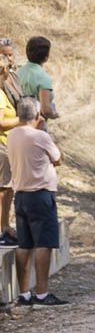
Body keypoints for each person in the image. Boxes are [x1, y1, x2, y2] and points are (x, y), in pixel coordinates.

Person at [7, 97, 66, 307]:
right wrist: (42, 129)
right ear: (38, 115)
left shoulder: (12, 135)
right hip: (40, 194)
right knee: (44, 244)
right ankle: (42, 294)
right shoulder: (40, 136)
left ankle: (24, 293)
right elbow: (58, 159)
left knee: (25, 244)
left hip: (20, 195)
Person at [0, 37, 22, 246]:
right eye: (3, 54)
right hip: (3, 141)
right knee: (4, 187)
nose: (7, 59)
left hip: (12, 140)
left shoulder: (13, 78)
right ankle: (3, 227)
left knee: (9, 186)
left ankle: (6, 225)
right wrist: (22, 119)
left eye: (9, 54)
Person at [16, 36, 58, 126]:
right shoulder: (43, 77)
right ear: (46, 57)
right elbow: (45, 110)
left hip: (19, 123)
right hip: (36, 125)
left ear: (27, 52)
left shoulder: (19, 71)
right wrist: (54, 115)